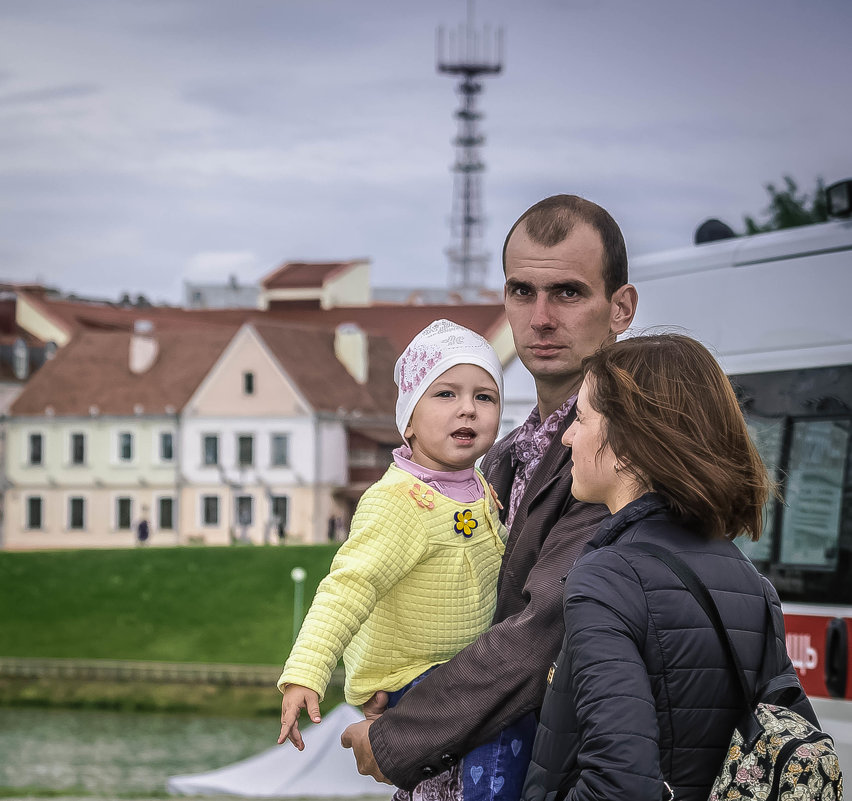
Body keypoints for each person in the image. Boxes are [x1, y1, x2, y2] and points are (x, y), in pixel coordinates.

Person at [342, 195, 638, 796]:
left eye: (568, 292)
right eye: (522, 291)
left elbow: (543, 630)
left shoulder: (618, 452)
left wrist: (400, 733)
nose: (541, 317)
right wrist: (391, 672)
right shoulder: (497, 454)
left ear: (621, 307)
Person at [521, 334, 818, 801]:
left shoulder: (607, 577)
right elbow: (795, 745)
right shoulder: (751, 582)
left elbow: (619, 786)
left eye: (580, 418)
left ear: (631, 444)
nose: (567, 436)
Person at [279, 319, 518, 799]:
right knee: (502, 725)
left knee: (511, 714)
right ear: (408, 419)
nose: (467, 409)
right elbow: (350, 585)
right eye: (446, 394)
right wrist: (307, 671)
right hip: (409, 673)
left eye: (484, 397)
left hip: (459, 664)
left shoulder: (480, 486)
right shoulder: (398, 500)